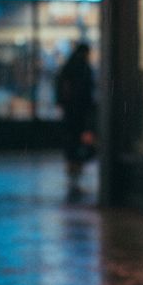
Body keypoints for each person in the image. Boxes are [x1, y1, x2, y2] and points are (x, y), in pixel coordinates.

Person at [55, 43, 96, 190]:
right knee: (79, 137)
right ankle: (76, 163)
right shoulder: (84, 68)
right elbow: (89, 91)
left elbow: (60, 87)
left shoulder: (68, 67)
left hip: (70, 110)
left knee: (70, 137)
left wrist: (62, 102)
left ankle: (72, 162)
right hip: (80, 111)